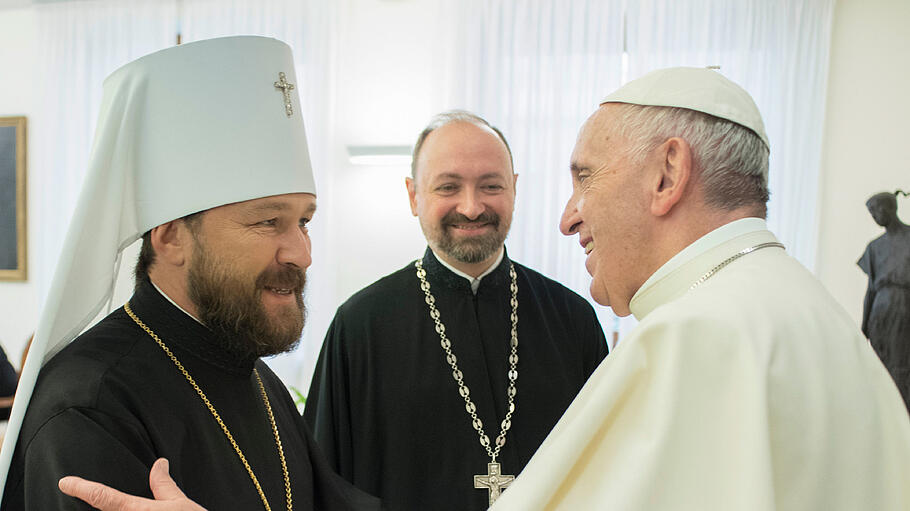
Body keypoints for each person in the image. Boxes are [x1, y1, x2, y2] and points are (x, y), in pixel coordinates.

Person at [487, 67, 910, 510]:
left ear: (667, 175)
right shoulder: (828, 321)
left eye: (585, 178)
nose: (568, 218)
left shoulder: (690, 338)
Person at [0, 37, 378, 510]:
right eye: (267, 222)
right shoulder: (89, 408)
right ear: (172, 236)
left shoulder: (256, 377)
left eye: (304, 221)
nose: (301, 253)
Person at [302, 110, 608, 510]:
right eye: (448, 187)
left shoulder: (571, 320)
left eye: (490, 185)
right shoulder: (359, 327)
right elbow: (328, 485)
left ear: (514, 189)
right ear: (414, 196)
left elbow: (610, 468)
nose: (471, 207)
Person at [858, 190, 910, 411]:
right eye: (871, 213)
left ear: (891, 208)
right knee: (880, 369)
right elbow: (870, 290)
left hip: (904, 310)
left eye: (876, 210)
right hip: (880, 313)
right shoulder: (874, 247)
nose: (875, 216)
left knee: (902, 366)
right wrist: (864, 325)